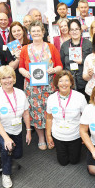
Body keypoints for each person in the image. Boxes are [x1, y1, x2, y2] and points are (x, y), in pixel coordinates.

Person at [19, 20, 63, 150]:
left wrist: (53, 70)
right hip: (32, 88)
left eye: (39, 30)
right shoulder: (25, 49)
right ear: (29, 34)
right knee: (36, 112)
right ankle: (41, 138)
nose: (36, 33)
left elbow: (60, 66)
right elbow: (21, 68)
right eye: (33, 31)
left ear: (43, 32)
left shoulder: (51, 47)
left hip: (49, 85)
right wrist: (26, 73)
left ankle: (51, 135)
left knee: (50, 110)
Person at [0, 66, 31, 188]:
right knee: (8, 148)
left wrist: (28, 131)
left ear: (14, 78)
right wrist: (5, 139)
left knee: (18, 155)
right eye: (4, 78)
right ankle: (6, 174)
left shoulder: (21, 94)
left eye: (10, 77)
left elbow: (26, 113)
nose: (7, 80)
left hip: (15, 128)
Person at [46, 71, 87, 165]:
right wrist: (48, 136)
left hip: (75, 135)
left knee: (74, 161)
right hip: (58, 136)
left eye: (67, 81)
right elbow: (49, 118)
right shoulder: (51, 99)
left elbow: (86, 118)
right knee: (63, 162)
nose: (64, 84)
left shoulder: (80, 97)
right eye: (60, 81)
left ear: (71, 83)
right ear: (56, 83)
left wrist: (85, 136)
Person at [60, 19, 92, 101]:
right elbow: (62, 64)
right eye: (72, 30)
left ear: (80, 30)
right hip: (69, 83)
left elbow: (93, 61)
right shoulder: (65, 45)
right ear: (69, 31)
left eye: (76, 29)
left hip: (85, 82)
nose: (74, 32)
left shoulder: (88, 44)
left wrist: (83, 61)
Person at [6, 21, 31, 90]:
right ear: (11, 33)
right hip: (17, 78)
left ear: (23, 30)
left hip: (30, 74)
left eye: (18, 30)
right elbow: (11, 67)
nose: (17, 33)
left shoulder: (30, 43)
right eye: (14, 31)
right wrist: (18, 59)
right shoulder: (10, 47)